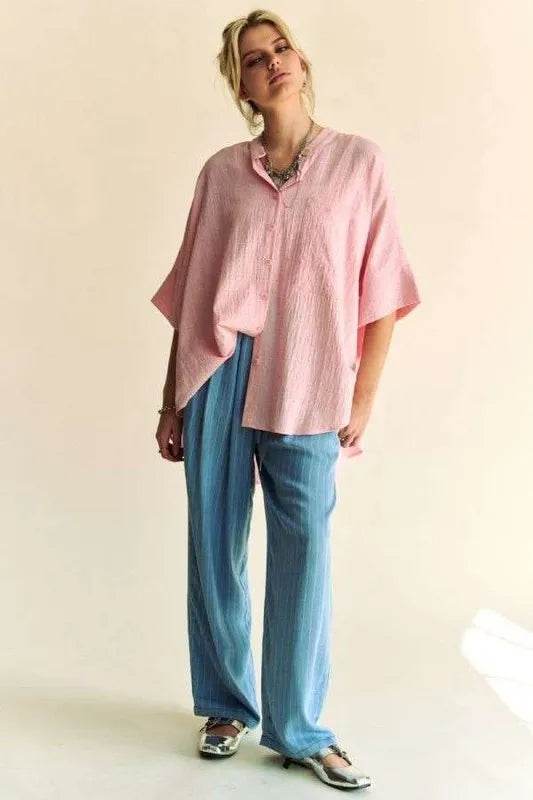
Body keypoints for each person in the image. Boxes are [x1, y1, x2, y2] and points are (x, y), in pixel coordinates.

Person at [151, 9, 421, 791]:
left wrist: (361, 400)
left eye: (280, 48)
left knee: (304, 553)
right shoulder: (220, 174)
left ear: (300, 60)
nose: (272, 62)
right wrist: (170, 402)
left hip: (310, 375)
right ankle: (223, 704)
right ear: (240, 84)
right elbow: (194, 293)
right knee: (214, 543)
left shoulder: (358, 163)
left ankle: (298, 728)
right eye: (253, 58)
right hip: (219, 372)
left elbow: (380, 295)